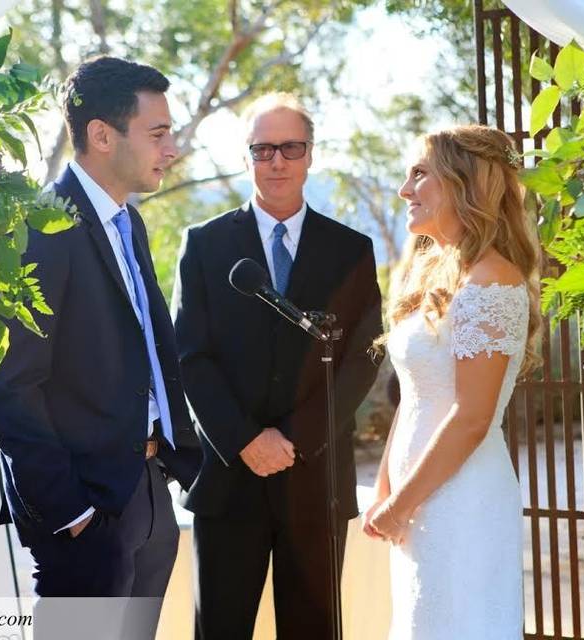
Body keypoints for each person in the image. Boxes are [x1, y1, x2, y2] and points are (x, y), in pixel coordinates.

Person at [0, 56, 201, 630]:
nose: (171, 149)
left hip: (149, 495)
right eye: (158, 134)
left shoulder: (132, 222)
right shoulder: (36, 228)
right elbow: (8, 385)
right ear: (101, 135)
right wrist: (71, 512)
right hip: (88, 514)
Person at [172, 93, 382, 639]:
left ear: (310, 154)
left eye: (290, 147)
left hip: (316, 478)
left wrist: (293, 438)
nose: (278, 162)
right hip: (229, 478)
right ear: (246, 158)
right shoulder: (203, 245)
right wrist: (246, 441)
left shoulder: (352, 250)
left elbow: (361, 359)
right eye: (263, 149)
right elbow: (190, 356)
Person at [361, 125, 540, 639]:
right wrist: (385, 489)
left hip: (461, 498)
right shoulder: (439, 273)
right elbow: (415, 397)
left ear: (464, 183)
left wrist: (402, 503)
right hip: (420, 501)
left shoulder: (494, 281)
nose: (404, 189)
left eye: (419, 173)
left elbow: (472, 418)